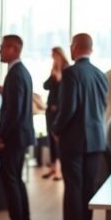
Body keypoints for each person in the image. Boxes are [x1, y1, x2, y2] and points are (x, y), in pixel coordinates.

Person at [53, 33, 108, 220]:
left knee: (73, 188)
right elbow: (101, 107)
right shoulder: (100, 75)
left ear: (75, 47)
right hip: (96, 140)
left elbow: (69, 108)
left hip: (74, 141)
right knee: (88, 188)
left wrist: (56, 129)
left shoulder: (71, 73)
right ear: (91, 49)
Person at [0, 35, 36, 220]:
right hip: (21, 135)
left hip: (13, 137)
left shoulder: (15, 74)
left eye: (2, 48)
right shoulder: (21, 72)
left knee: (11, 181)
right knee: (17, 180)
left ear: (13, 49)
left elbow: (14, 111)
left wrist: (1, 136)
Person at [42, 46, 70, 181]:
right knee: (50, 139)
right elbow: (46, 86)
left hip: (59, 110)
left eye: (53, 54)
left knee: (58, 139)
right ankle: (53, 167)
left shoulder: (67, 69)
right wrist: (53, 76)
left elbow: (66, 92)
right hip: (49, 110)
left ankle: (60, 170)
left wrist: (59, 79)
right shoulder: (54, 68)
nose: (52, 56)